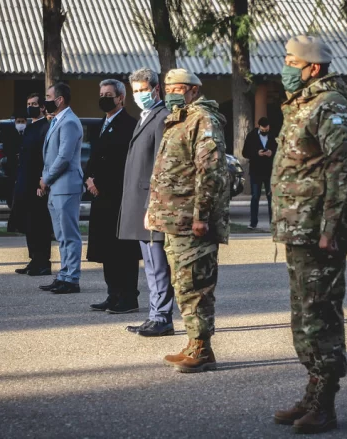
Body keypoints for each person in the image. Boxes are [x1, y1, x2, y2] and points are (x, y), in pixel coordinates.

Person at [270, 35, 347, 435]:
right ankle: (312, 390)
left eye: (291, 60)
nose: (285, 66)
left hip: (319, 230)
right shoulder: (301, 104)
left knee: (321, 316)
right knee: (304, 316)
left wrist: (331, 227)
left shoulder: (330, 105)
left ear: (314, 68)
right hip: (297, 227)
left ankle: (325, 403)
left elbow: (340, 170)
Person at [146, 68, 230, 373]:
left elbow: (210, 172)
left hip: (192, 221)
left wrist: (201, 216)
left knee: (197, 284)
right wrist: (153, 212)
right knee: (183, 285)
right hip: (174, 220)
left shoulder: (202, 120)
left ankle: (202, 349)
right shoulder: (177, 119)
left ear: (194, 90)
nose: (170, 93)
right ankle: (195, 343)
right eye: (167, 87)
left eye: (176, 88)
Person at [114, 68, 175, 337]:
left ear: (156, 90)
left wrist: (155, 203)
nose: (139, 95)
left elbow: (162, 167)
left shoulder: (161, 117)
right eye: (135, 91)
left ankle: (162, 317)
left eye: (142, 90)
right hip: (140, 202)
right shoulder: (145, 116)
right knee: (150, 264)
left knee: (157, 263)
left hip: (152, 203)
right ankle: (155, 315)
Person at [86, 79, 141, 313]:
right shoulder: (101, 123)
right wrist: (88, 178)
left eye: (108, 94)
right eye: (101, 93)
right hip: (100, 197)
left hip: (119, 196)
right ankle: (113, 294)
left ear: (120, 98)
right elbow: (94, 156)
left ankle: (129, 297)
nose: (104, 97)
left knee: (123, 251)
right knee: (107, 249)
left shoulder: (130, 125)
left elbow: (125, 163)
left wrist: (101, 183)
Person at [38, 82, 84, 295]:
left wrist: (46, 179)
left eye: (48, 96)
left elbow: (64, 157)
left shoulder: (69, 122)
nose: (45, 100)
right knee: (61, 235)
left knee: (69, 234)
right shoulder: (57, 120)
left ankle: (72, 278)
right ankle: (64, 274)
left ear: (59, 99)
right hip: (56, 187)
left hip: (66, 186)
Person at [8, 94, 52, 276]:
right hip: (24, 183)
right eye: (28, 104)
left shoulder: (45, 128)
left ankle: (43, 262)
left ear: (42, 107)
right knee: (28, 224)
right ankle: (34, 259)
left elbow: (45, 157)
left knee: (39, 224)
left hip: (37, 184)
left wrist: (42, 182)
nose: (30, 107)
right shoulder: (29, 127)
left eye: (34, 104)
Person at [242, 116, 277, 229]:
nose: (264, 131)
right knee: (255, 197)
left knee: (271, 197)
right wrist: (257, 153)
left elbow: (280, 150)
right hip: (256, 171)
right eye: (263, 130)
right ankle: (253, 223)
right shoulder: (251, 136)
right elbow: (245, 152)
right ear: (259, 127)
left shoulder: (273, 135)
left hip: (270, 171)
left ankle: (273, 223)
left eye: (266, 130)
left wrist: (272, 153)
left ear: (269, 127)